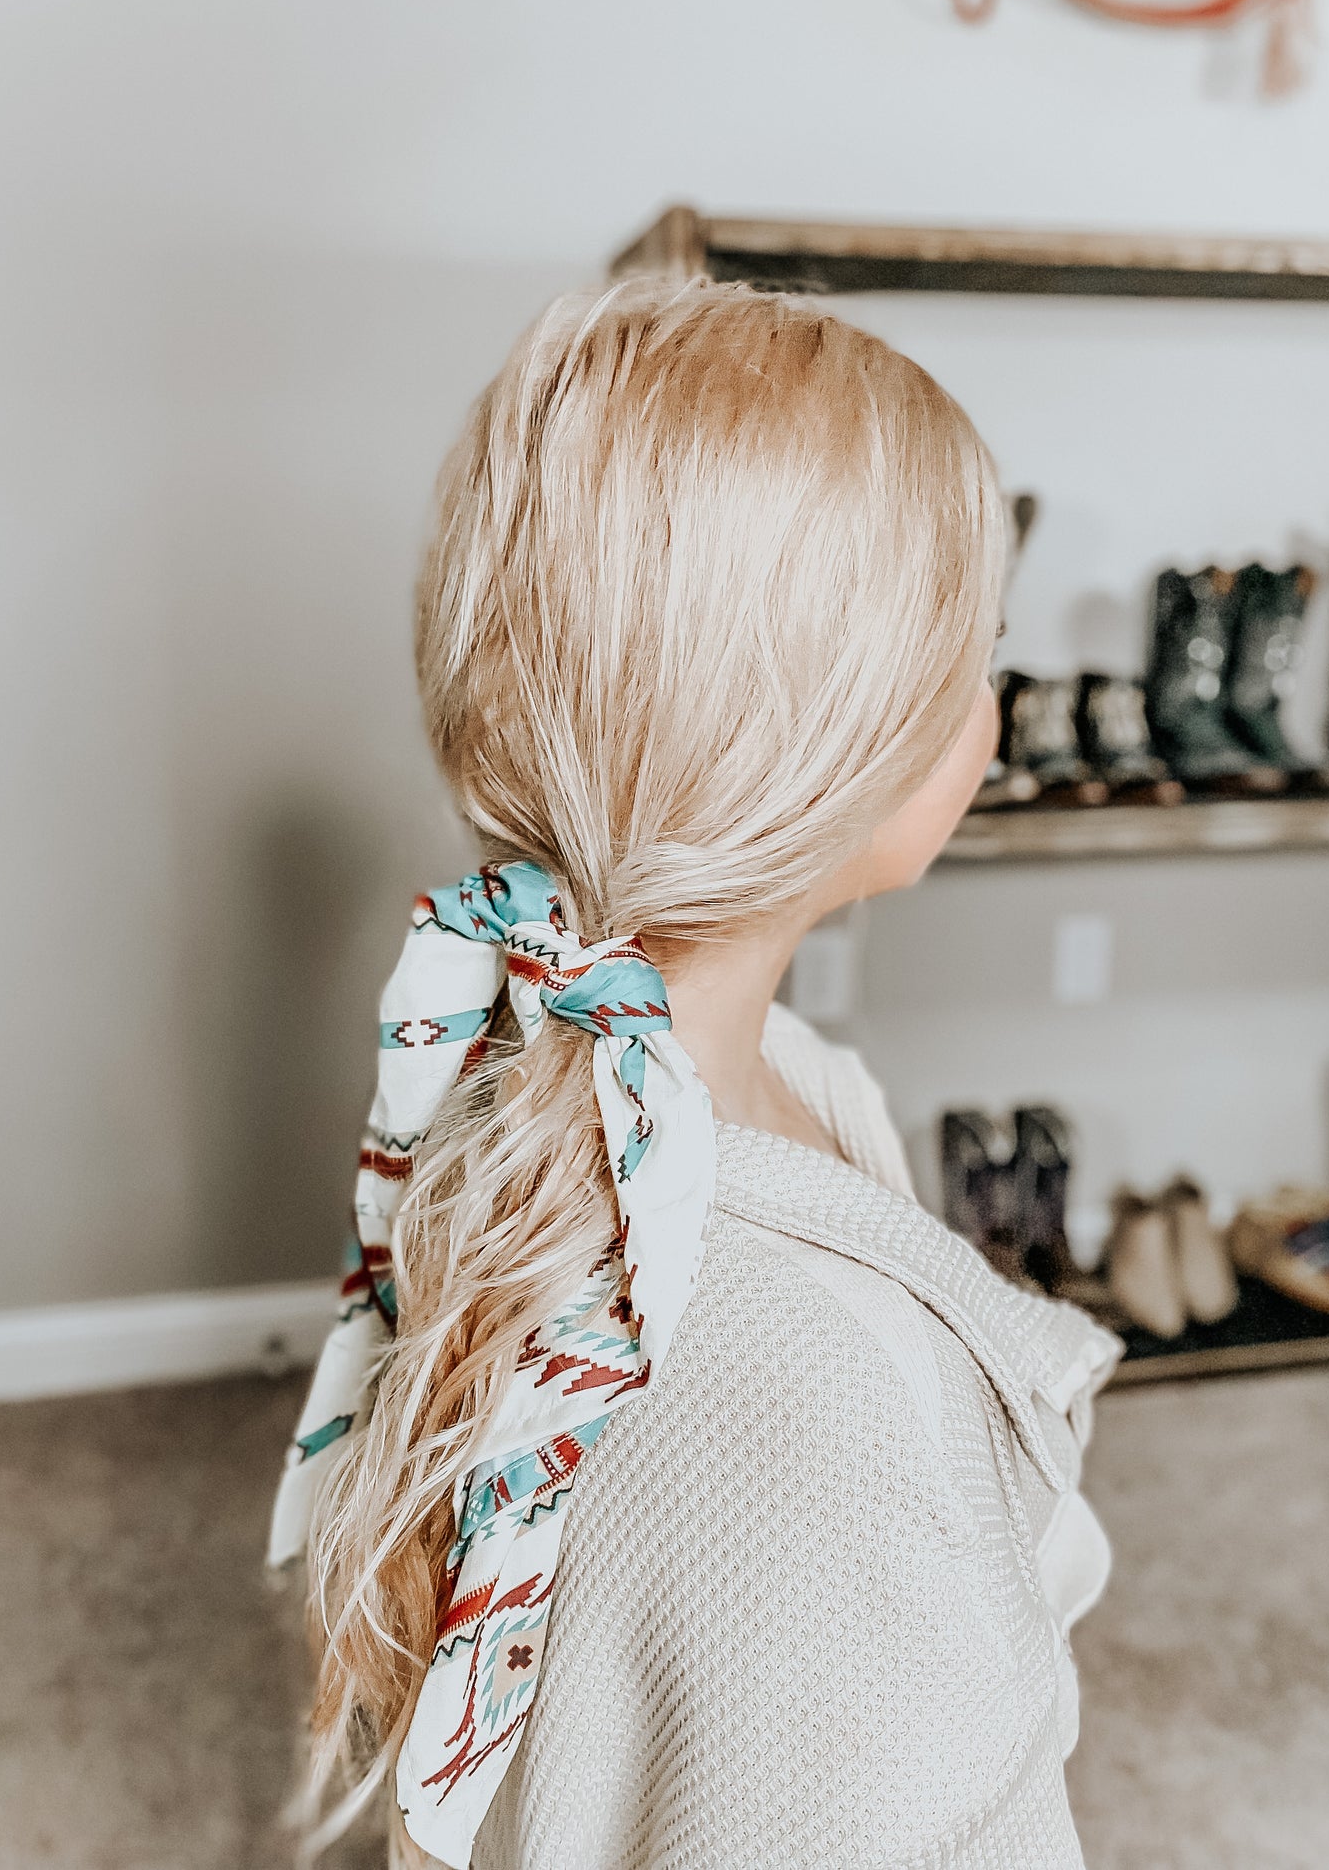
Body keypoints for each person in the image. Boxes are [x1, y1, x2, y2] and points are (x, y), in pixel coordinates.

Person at [269, 276, 1121, 1869]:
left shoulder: (561, 1076)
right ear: (836, 746)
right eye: (973, 653)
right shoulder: (845, 1406)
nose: (992, 705)